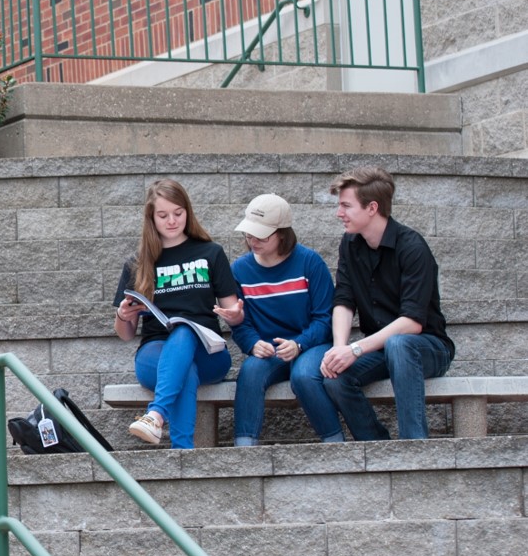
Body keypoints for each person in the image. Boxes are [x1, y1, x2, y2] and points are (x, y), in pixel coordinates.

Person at [319, 166, 454, 440]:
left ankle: (413, 446)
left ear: (372, 208)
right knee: (335, 376)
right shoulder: (349, 244)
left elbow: (412, 323)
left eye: (346, 205)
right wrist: (340, 349)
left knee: (399, 344)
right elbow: (343, 300)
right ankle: (377, 446)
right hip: (381, 348)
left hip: (427, 347)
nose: (339, 213)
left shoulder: (412, 247)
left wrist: (355, 349)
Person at [113, 179, 243, 448]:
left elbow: (233, 312)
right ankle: (182, 451)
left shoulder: (211, 253)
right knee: (185, 369)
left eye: (178, 213)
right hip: (155, 354)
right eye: (163, 215)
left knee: (185, 330)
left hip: (209, 353)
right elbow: (125, 335)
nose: (171, 221)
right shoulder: (138, 263)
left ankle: (156, 414)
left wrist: (234, 317)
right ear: (151, 217)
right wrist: (123, 317)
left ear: (188, 212)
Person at [227, 193, 338, 446]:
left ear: (282, 234)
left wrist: (299, 344)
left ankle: (335, 444)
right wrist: (253, 344)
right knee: (250, 371)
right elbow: (240, 322)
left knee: (304, 376)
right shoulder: (240, 270)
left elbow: (325, 318)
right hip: (269, 350)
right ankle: (243, 451)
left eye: (261, 235)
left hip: (311, 345)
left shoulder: (310, 262)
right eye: (248, 234)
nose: (252, 240)